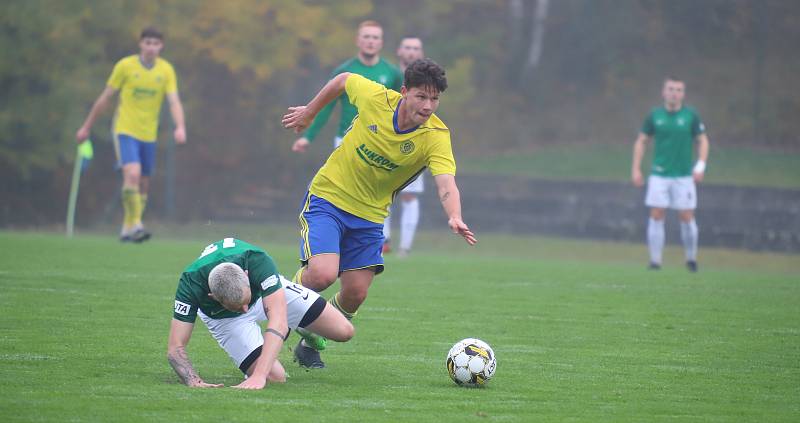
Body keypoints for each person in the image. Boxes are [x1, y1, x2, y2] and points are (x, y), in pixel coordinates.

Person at [282, 58, 477, 368]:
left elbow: (446, 184)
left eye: (435, 98)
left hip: (371, 217)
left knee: (356, 293)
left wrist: (454, 215)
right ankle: (279, 302)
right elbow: (343, 78)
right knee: (322, 274)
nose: (428, 105)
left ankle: (309, 337)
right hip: (329, 198)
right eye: (421, 96)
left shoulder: (435, 136)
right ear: (404, 92)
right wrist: (310, 111)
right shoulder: (376, 98)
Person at [167, 238, 354, 389]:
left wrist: (258, 376)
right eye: (238, 306)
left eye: (246, 302)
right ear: (213, 297)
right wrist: (193, 381)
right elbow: (175, 348)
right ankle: (262, 346)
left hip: (266, 295)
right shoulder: (190, 284)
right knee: (276, 377)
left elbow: (278, 322)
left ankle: (299, 324)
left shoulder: (256, 260)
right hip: (224, 319)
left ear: (247, 275)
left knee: (344, 331)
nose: (245, 309)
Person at [76, 27, 187, 243]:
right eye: (148, 43)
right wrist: (86, 127)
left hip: (149, 135)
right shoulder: (125, 66)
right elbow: (105, 98)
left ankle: (127, 227)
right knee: (132, 174)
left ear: (161, 46)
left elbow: (173, 100)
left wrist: (180, 126)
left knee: (144, 183)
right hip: (125, 130)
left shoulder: (165, 70)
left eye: (156, 43)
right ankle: (136, 225)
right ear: (140, 44)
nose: (151, 47)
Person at [631, 76, 710, 272]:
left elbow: (703, 141)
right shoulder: (655, 115)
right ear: (663, 92)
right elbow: (642, 141)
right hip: (659, 174)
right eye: (670, 89)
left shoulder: (691, 115)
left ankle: (691, 259)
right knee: (657, 213)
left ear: (683, 93)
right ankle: (655, 261)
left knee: (686, 215)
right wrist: (636, 168)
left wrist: (700, 166)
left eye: (678, 90)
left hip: (684, 176)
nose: (674, 93)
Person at [291, 20, 402, 153]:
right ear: (357, 40)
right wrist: (308, 137)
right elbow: (326, 105)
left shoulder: (393, 72)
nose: (370, 41)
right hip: (346, 138)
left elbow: (400, 107)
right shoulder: (343, 71)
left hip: (379, 140)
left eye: (375, 37)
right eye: (366, 37)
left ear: (381, 42)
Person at [383, 36, 426, 257]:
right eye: (407, 48)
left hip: (415, 140)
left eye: (415, 48)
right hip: (388, 140)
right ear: (399, 51)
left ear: (421, 52)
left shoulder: (428, 78)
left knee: (409, 195)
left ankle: (405, 248)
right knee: (383, 190)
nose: (411, 52)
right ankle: (384, 241)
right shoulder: (390, 75)